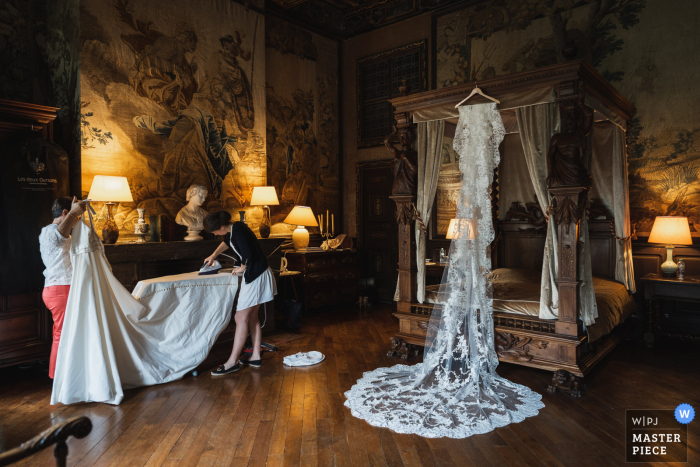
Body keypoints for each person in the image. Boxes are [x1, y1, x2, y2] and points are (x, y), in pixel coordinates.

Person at [203, 211, 277, 375]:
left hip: (255, 276)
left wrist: (242, 267)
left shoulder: (239, 230)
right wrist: (214, 254)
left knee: (240, 317)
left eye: (215, 231)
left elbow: (248, 253)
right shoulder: (234, 229)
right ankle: (256, 355)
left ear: (221, 227)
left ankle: (232, 362)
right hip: (258, 273)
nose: (215, 234)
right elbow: (227, 242)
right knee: (252, 316)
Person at [39, 196, 87, 378]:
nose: (76, 222)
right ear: (66, 213)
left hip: (59, 289)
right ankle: (58, 378)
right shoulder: (51, 232)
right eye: (75, 218)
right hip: (60, 290)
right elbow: (60, 238)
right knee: (62, 335)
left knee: (62, 333)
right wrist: (75, 213)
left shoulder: (49, 231)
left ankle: (64, 376)